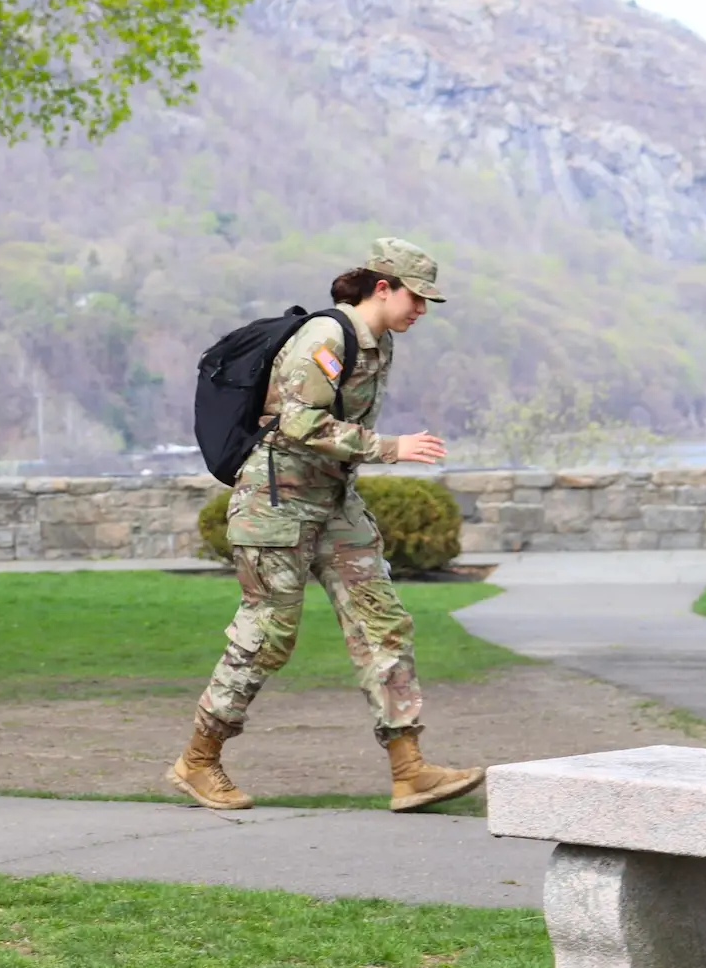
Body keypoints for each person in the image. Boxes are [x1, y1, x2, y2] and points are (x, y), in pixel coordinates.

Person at [170, 238, 487, 814]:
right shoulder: (326, 337)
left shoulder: (380, 343)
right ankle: (198, 759)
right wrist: (390, 447)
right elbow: (299, 423)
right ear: (382, 286)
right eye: (416, 297)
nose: (421, 311)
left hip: (333, 500)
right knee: (267, 634)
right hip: (275, 504)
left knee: (383, 621)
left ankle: (409, 770)